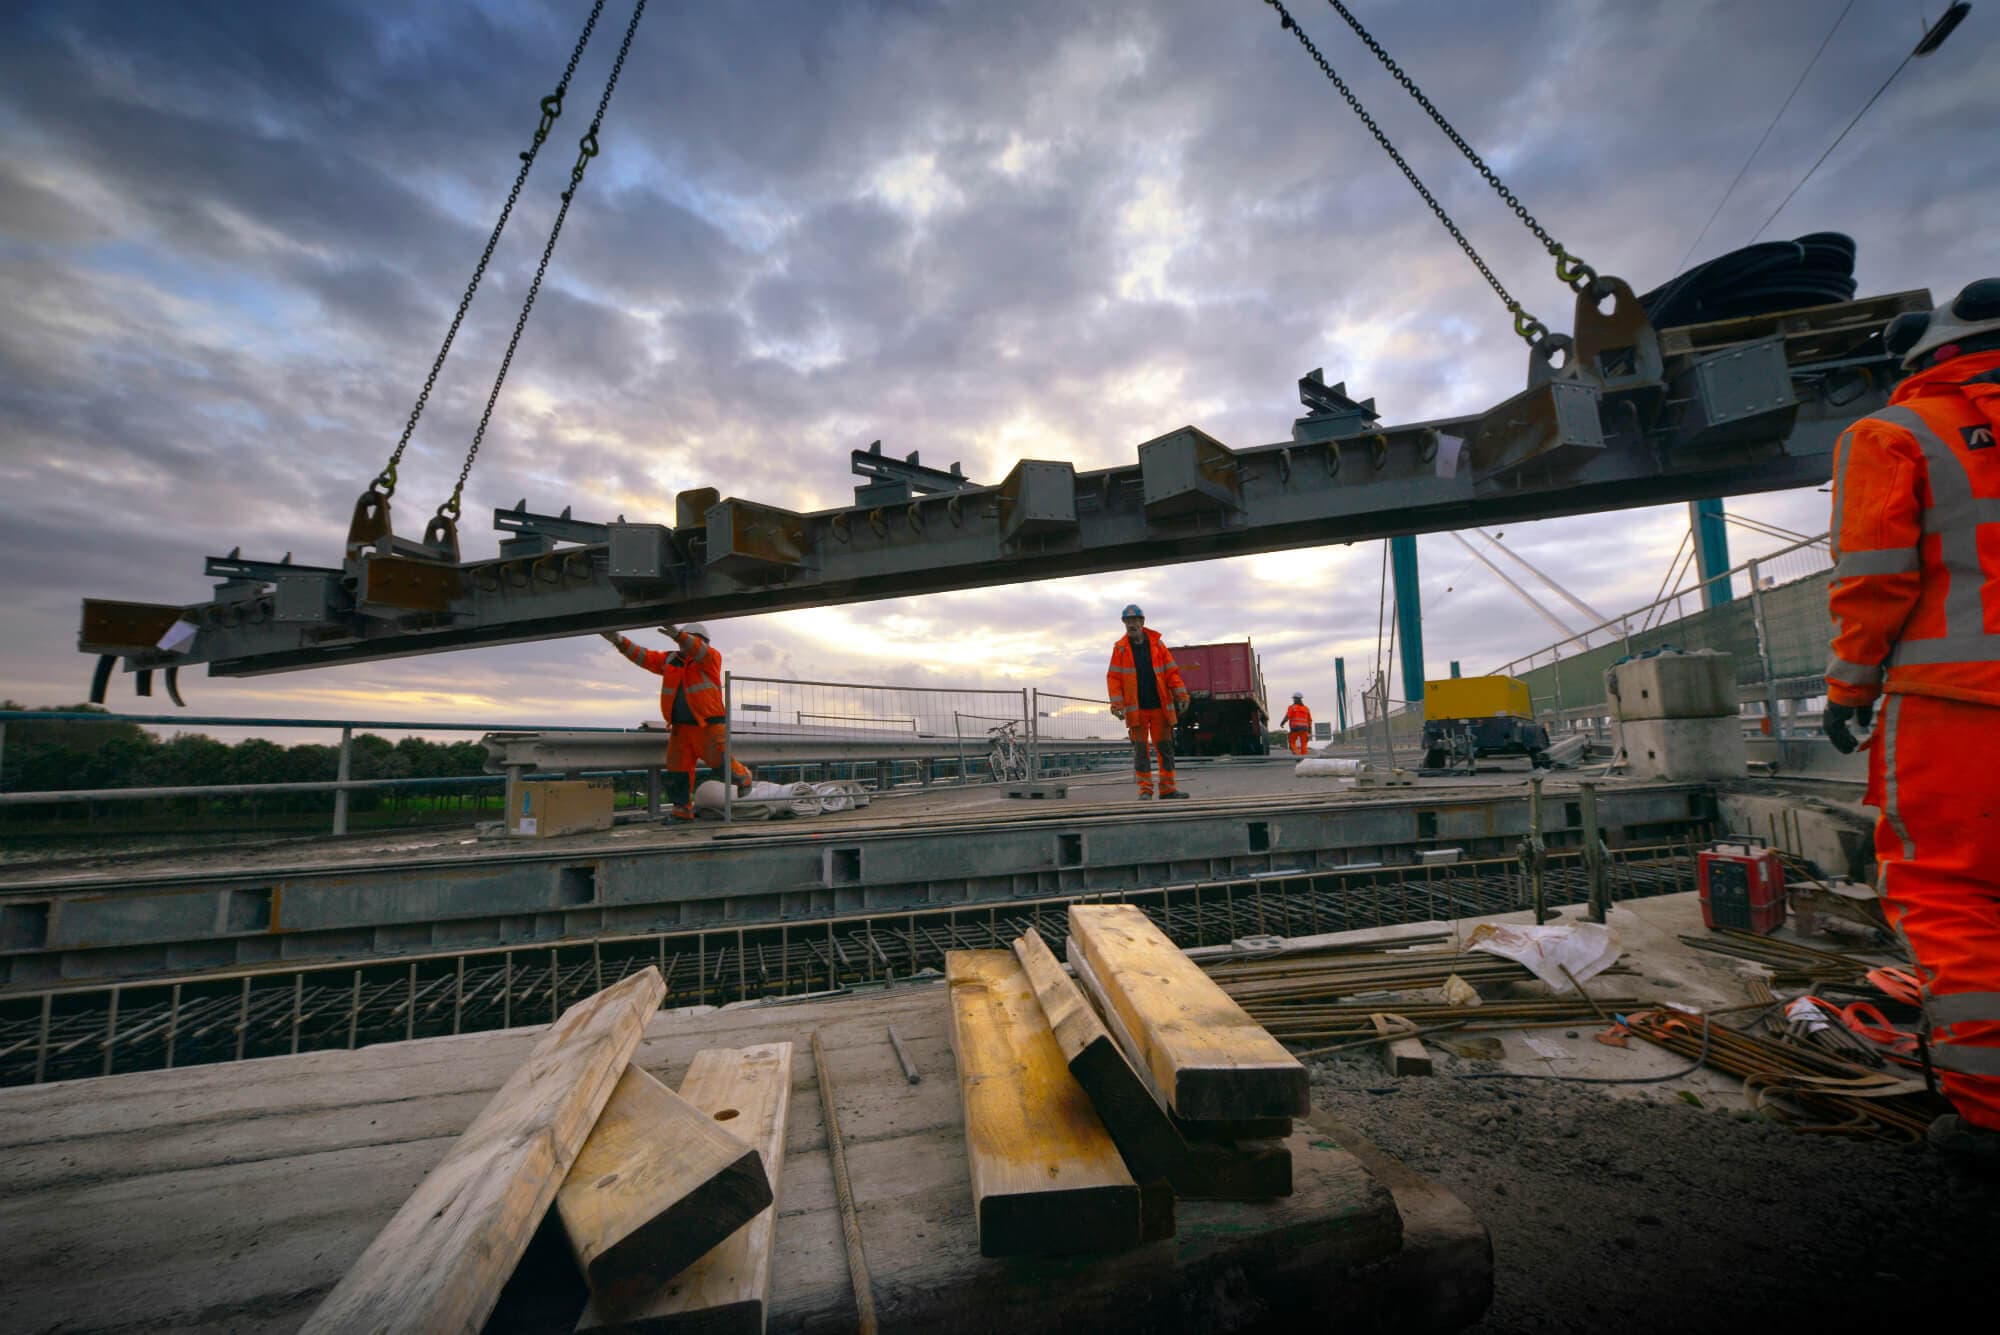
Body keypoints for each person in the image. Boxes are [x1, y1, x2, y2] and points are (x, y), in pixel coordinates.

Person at [1822, 278, 2000, 1167]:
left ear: (1920, 355)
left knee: (1954, 898)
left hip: (1959, 712)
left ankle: (1990, 1116)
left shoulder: (1897, 432)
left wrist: (1849, 689)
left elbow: (1876, 577)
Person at [603, 622, 752, 820]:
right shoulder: (670, 660)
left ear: (703, 642)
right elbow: (644, 656)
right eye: (685, 639)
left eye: (691, 639)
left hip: (707, 725)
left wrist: (680, 635)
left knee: (720, 763)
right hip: (680, 728)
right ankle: (681, 811)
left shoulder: (710, 657)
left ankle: (744, 778)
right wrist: (619, 641)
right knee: (677, 770)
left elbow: (698, 650)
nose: (686, 644)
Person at [1106, 604, 1191, 799]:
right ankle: (1145, 790)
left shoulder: (1157, 645)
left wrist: (1181, 694)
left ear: (1142, 622)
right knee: (1141, 752)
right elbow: (1114, 678)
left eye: (1135, 620)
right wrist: (1117, 705)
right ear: (1124, 624)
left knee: (1165, 749)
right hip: (1137, 711)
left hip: (1160, 708)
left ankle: (1168, 789)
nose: (1131, 624)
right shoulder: (1120, 649)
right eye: (1127, 621)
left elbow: (1171, 673)